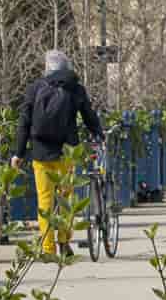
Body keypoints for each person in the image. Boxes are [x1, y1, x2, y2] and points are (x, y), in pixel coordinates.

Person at [16, 48, 105, 257]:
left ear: (47, 68)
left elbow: (24, 122)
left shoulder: (35, 88)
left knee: (45, 201)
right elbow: (88, 115)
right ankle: (64, 243)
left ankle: (48, 249)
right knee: (66, 199)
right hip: (67, 152)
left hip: (41, 152)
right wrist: (98, 134)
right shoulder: (76, 89)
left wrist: (18, 153)